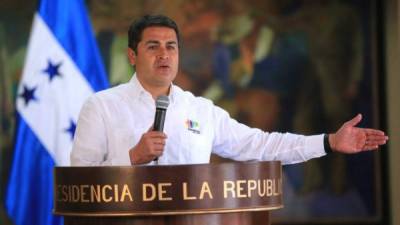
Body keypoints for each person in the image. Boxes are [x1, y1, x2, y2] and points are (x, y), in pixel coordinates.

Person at [70, 15, 388, 166]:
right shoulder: (100, 107)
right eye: (153, 47)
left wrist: (329, 142)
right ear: (132, 55)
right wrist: (132, 158)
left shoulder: (200, 110)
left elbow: (260, 145)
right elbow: (80, 182)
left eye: (171, 47)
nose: (164, 55)